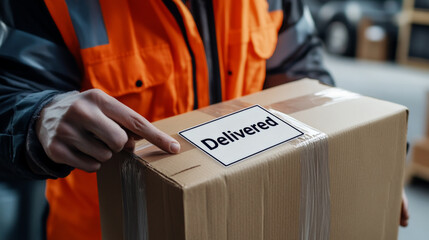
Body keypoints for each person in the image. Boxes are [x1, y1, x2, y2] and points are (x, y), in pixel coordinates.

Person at [0, 0, 407, 239]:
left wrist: (361, 155)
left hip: (249, 220)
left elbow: (303, 73)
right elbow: (11, 95)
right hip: (110, 229)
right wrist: (38, 116)